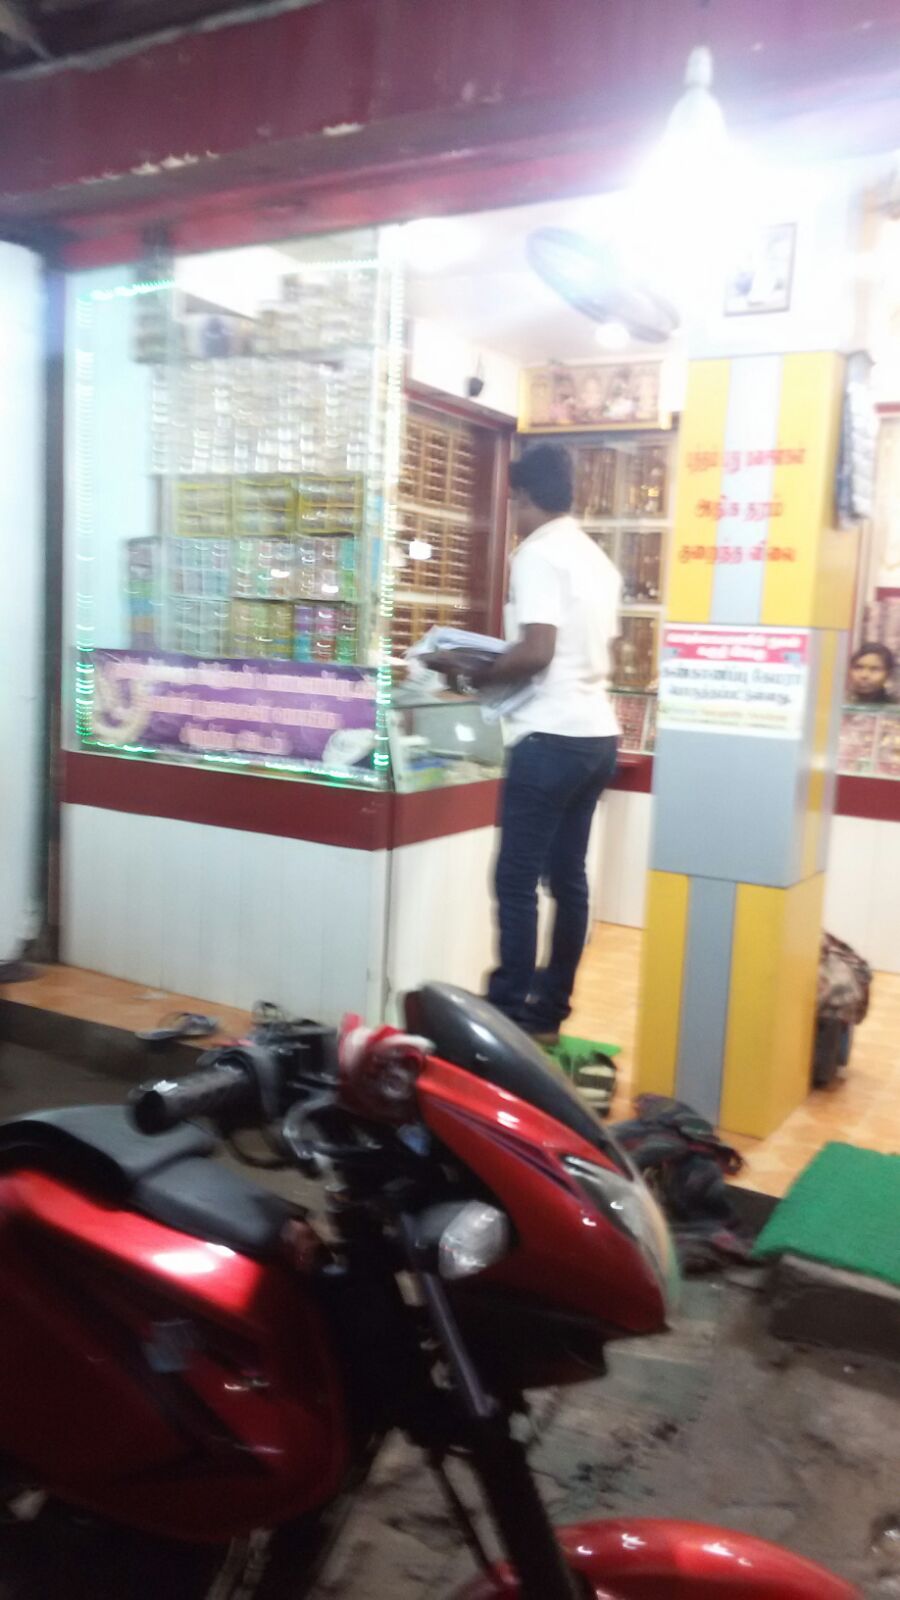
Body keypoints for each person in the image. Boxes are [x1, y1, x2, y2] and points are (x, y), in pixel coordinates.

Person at [437, 443, 620, 1044]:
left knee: (515, 879)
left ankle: (509, 1008)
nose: (512, 513)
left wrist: (471, 670)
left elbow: (538, 651)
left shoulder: (538, 553)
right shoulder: (595, 557)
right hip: (596, 735)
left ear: (524, 497)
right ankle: (549, 1011)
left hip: (549, 737)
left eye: (512, 500)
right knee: (568, 879)